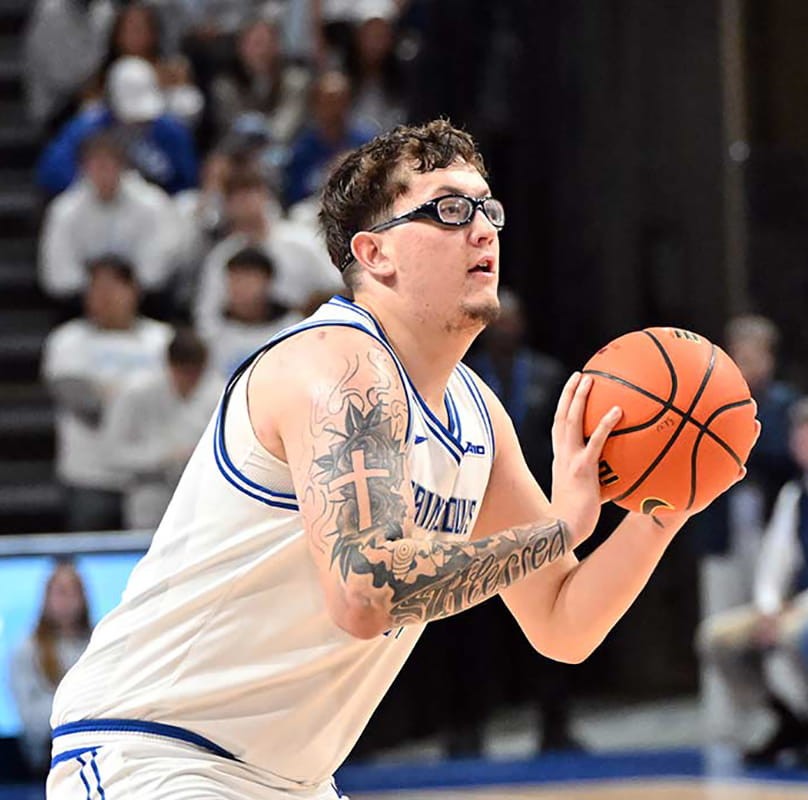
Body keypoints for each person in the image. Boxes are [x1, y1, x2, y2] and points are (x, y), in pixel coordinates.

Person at [47, 120, 755, 799]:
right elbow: (365, 592)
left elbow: (561, 623)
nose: (482, 229)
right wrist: (560, 528)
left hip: (289, 780)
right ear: (375, 253)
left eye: (487, 209)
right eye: (448, 210)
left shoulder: (477, 414)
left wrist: (666, 506)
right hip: (157, 752)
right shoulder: (336, 364)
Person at [697, 397, 808, 764]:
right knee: (717, 638)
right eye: (800, 436)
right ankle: (784, 719)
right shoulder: (794, 495)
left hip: (803, 608)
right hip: (794, 604)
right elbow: (776, 560)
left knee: (798, 635)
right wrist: (768, 607)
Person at [41, 256, 172, 532]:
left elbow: (172, 401)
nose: (103, 298)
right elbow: (87, 405)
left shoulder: (162, 340)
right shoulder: (67, 341)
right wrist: (140, 394)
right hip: (89, 476)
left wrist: (112, 391)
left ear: (134, 290)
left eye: (112, 288)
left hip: (152, 478)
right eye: (95, 289)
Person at [193, 168, 340, 336]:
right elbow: (207, 316)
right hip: (242, 339)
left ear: (265, 196)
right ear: (226, 204)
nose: (244, 204)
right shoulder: (223, 256)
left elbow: (336, 287)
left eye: (249, 194)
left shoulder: (301, 242)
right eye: (235, 198)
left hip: (307, 332)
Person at [38, 131, 182, 303]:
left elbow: (159, 263)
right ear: (83, 169)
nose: (103, 174)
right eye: (96, 166)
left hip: (144, 300)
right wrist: (97, 293)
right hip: (80, 302)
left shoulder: (153, 204)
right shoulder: (64, 210)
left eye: (109, 166)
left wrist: (123, 293)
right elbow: (58, 271)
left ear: (123, 167)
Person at [105, 328, 223, 529]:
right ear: (170, 364)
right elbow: (114, 454)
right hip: (151, 493)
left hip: (205, 495)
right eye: (184, 372)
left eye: (197, 373)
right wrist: (164, 457)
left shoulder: (220, 392)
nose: (191, 379)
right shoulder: (136, 393)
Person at [36, 56, 199, 196]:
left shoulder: (171, 131)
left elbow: (187, 181)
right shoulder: (87, 127)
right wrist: (98, 185)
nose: (137, 124)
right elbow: (51, 173)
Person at [10, 561, 91, 779]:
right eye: (61, 592)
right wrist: (77, 711)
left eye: (73, 592)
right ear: (47, 597)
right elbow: (29, 717)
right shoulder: (27, 649)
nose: (67, 600)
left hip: (95, 750)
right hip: (46, 759)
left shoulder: (97, 644)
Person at [206, 247, 303, 377]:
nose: (240, 288)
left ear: (268, 281)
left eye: (247, 280)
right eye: (234, 280)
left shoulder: (293, 328)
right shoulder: (211, 330)